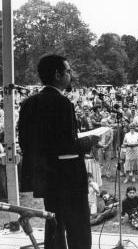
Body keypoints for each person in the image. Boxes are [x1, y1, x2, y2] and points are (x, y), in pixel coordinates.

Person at [18, 55, 100, 249]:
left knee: (53, 223)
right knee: (78, 226)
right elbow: (66, 145)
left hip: (46, 177)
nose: (71, 75)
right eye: (69, 71)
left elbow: (26, 142)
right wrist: (89, 141)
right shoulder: (62, 104)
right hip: (68, 177)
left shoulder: (29, 103)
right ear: (57, 74)